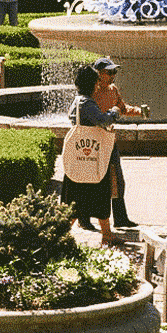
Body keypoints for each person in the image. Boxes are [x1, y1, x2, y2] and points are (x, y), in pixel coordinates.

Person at [62, 65, 118, 244]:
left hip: (78, 159)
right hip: (92, 158)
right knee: (100, 194)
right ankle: (106, 236)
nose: (98, 85)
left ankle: (61, 235)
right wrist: (114, 113)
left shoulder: (76, 101)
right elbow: (101, 120)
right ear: (92, 84)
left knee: (74, 197)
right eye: (96, 81)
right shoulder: (87, 103)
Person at [91, 56, 140, 228]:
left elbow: (122, 108)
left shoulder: (113, 89)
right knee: (91, 180)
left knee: (117, 180)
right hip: (93, 142)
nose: (113, 75)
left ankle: (120, 218)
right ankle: (84, 218)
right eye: (109, 72)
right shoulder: (90, 91)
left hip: (109, 140)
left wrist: (139, 111)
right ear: (99, 73)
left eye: (114, 72)